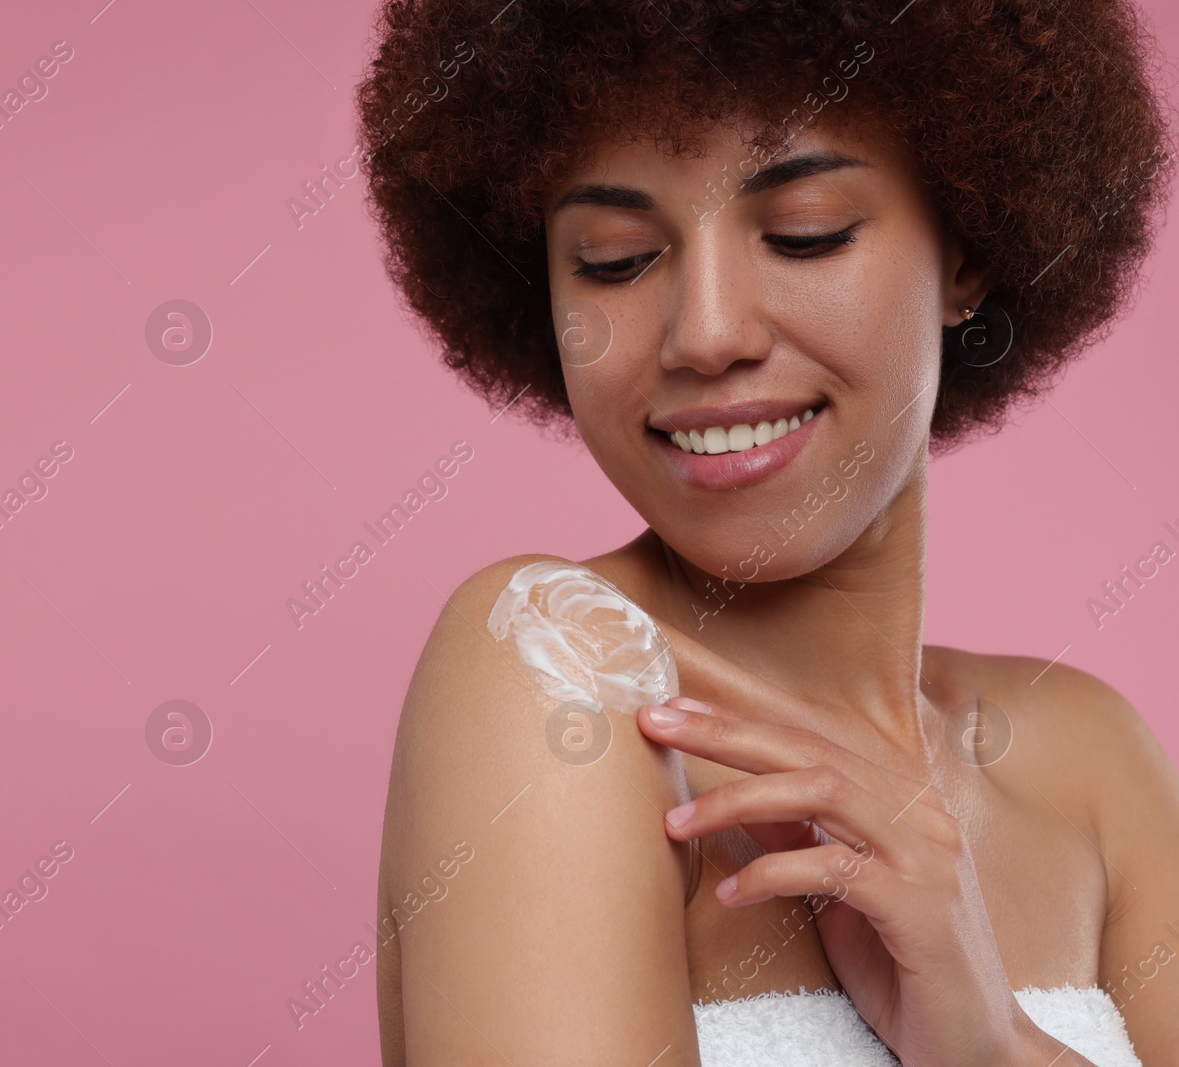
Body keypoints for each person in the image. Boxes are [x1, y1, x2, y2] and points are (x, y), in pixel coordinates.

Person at [357, 0, 1179, 1063]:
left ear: (966, 255)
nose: (703, 333)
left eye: (804, 233)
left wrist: (988, 1043)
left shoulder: (1086, 762)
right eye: (612, 258)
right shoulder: (554, 664)